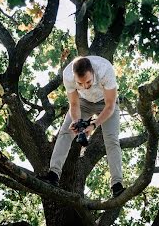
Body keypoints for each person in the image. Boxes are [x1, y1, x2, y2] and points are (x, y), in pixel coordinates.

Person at [42, 56, 125, 198]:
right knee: (66, 132)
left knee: (111, 140)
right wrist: (76, 122)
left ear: (93, 72)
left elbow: (110, 105)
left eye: (88, 81)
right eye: (80, 83)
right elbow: (74, 104)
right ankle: (53, 175)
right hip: (83, 102)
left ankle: (117, 185)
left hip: (105, 103)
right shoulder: (68, 75)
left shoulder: (105, 69)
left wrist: (93, 124)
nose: (85, 86)